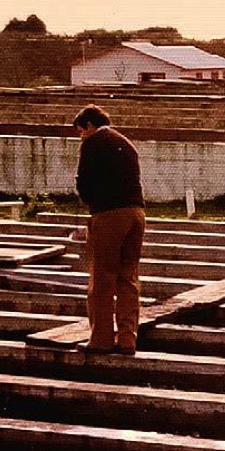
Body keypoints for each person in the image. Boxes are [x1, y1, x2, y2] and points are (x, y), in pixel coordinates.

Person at [72, 104, 146, 355]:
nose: (81, 136)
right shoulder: (127, 144)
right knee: (128, 278)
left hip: (110, 215)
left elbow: (83, 183)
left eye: (81, 131)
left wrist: (92, 203)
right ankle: (127, 339)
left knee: (102, 279)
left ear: (89, 125)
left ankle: (101, 340)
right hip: (136, 214)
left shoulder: (93, 143)